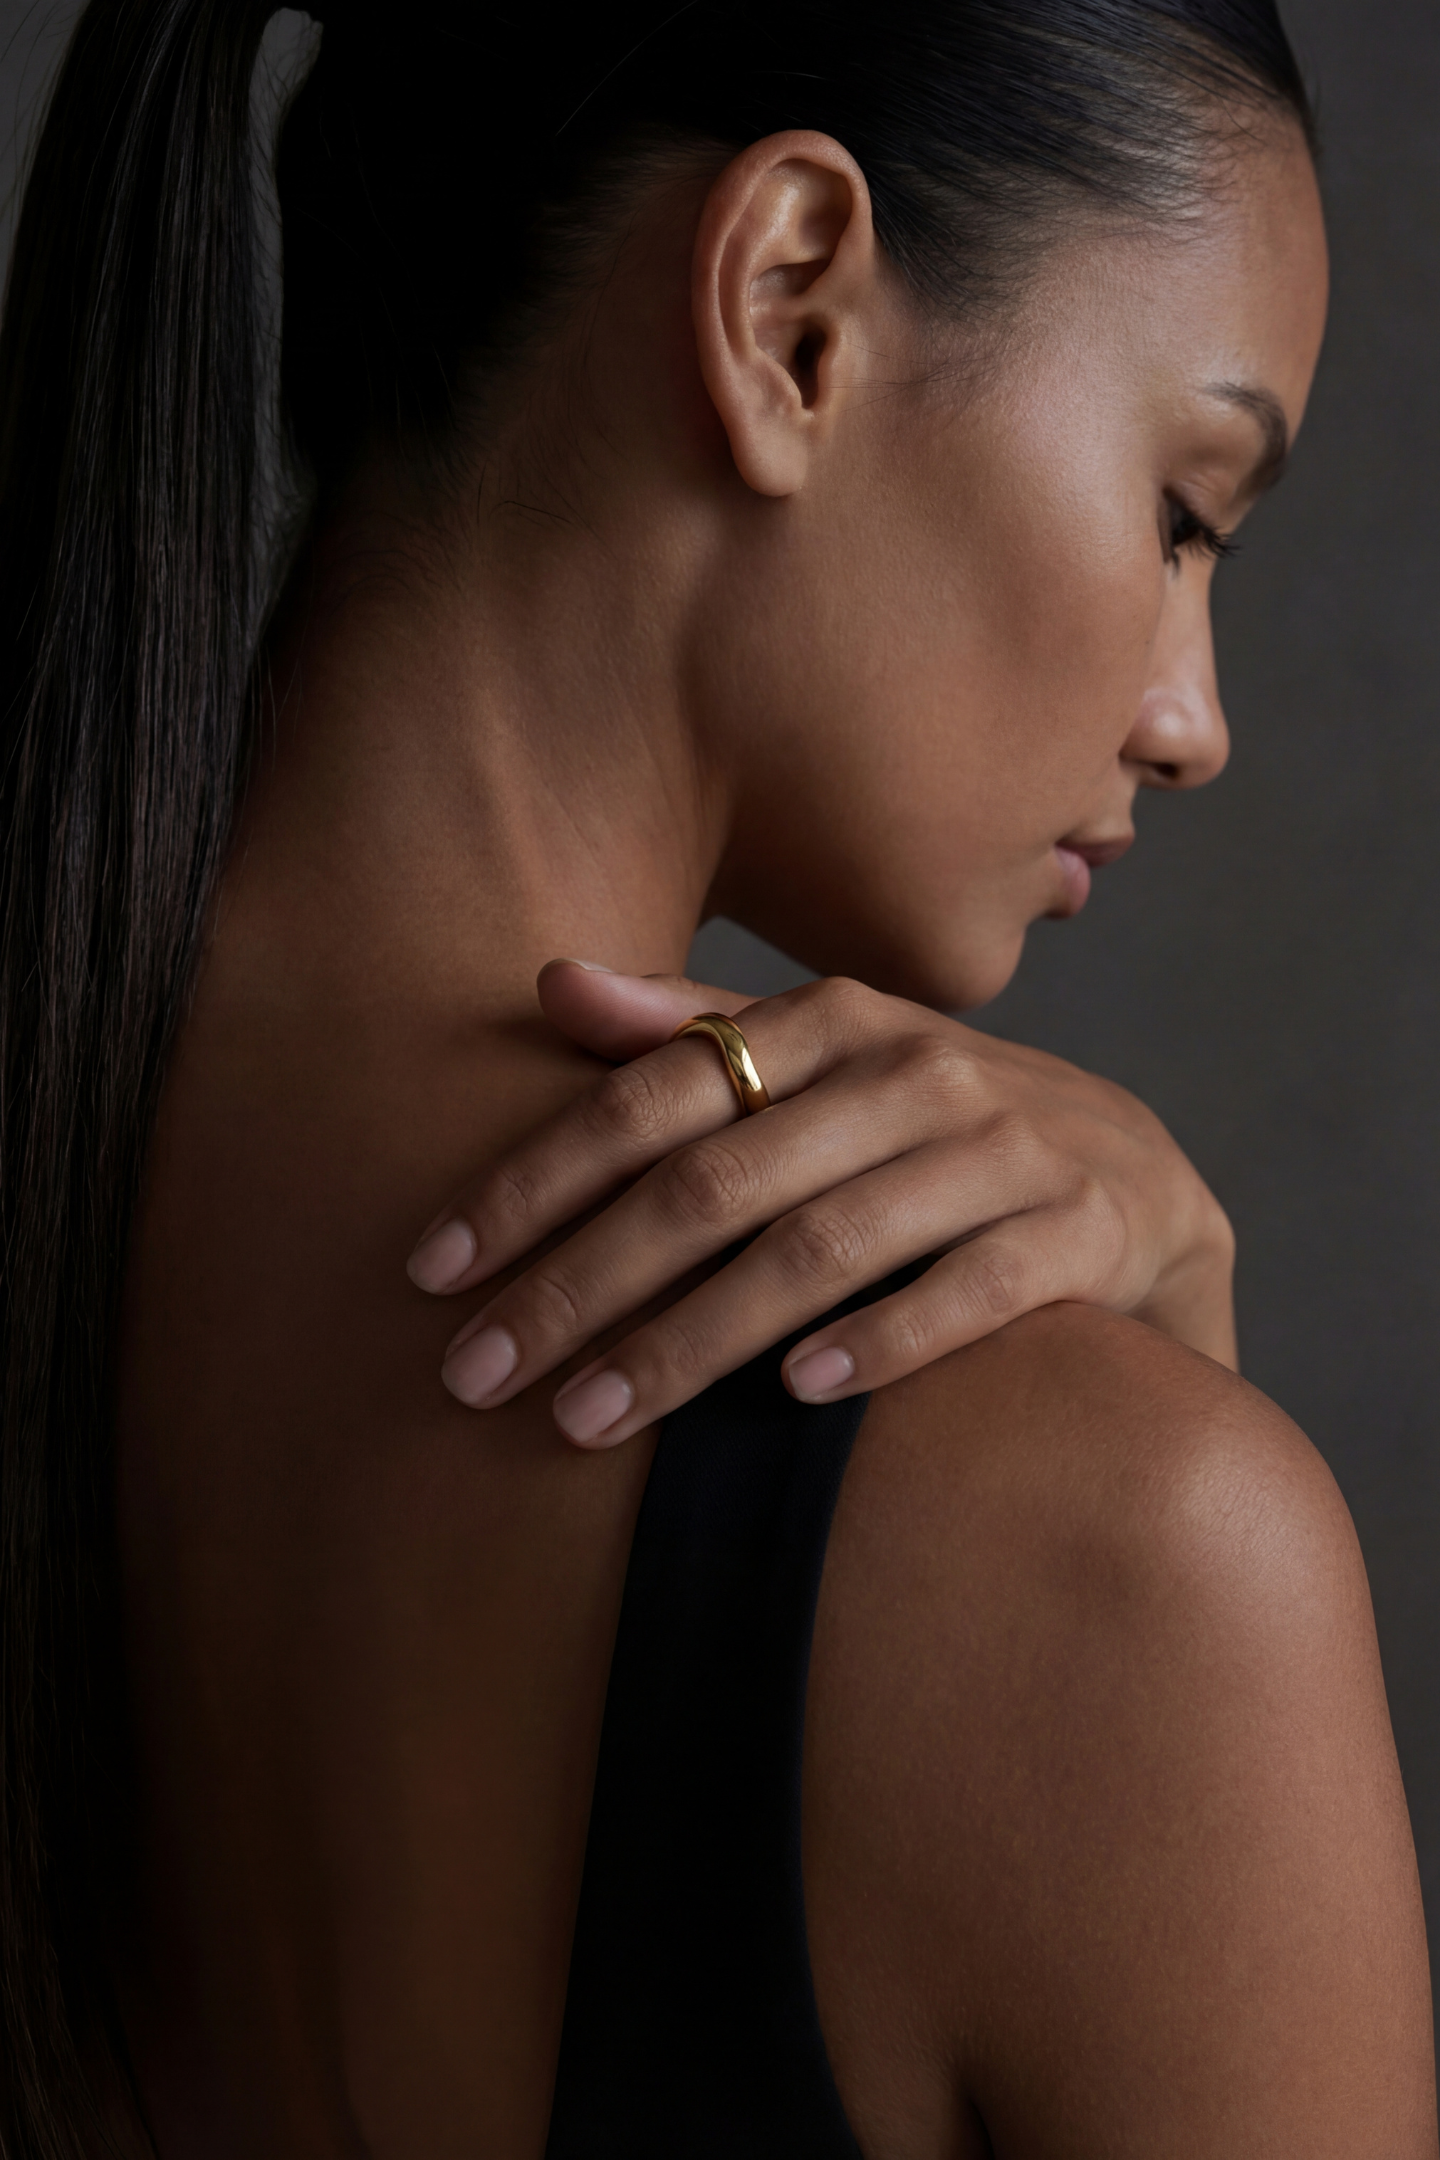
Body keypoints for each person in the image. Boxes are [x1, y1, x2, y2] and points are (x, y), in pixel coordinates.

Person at [0, 0, 1432, 2151]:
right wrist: (1176, 1439)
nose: (1191, 719)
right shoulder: (1117, 1556)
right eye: (1182, 509)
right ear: (788, 312)